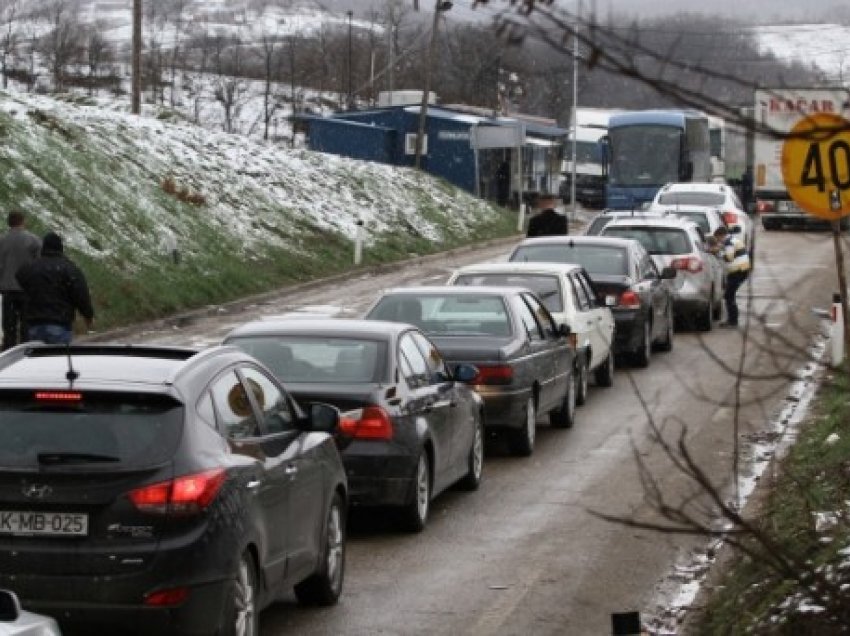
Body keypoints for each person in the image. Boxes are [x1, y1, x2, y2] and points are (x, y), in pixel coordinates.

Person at [16, 231, 94, 345]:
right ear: (60, 248)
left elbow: (20, 276)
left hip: (34, 324)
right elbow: (80, 294)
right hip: (59, 322)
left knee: (37, 360)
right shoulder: (68, 268)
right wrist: (88, 315)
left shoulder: (31, 267)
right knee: (58, 359)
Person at [0, 210, 41, 350]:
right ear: (23, 221)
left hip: (7, 289)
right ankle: (25, 351)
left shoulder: (2, 240)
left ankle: (9, 351)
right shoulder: (33, 240)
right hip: (26, 290)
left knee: (9, 326)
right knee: (26, 325)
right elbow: (39, 264)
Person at [712, 226, 750, 328]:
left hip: (738, 271)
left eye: (718, 238)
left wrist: (717, 253)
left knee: (729, 296)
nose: (718, 241)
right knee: (730, 295)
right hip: (741, 270)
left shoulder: (729, 242)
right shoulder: (732, 240)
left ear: (721, 235)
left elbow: (729, 258)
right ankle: (732, 320)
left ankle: (733, 321)